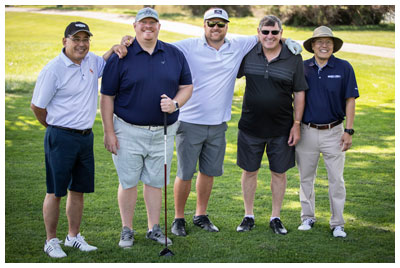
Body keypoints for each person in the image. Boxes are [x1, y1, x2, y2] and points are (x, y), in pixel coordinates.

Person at [121, 7, 302, 236]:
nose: (216, 28)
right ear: (204, 25)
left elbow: (268, 35)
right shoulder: (188, 46)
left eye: (221, 24)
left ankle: (201, 214)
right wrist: (128, 41)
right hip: (189, 122)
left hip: (218, 124)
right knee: (185, 173)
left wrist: (288, 41)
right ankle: (178, 218)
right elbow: (156, 45)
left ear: (227, 26)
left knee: (209, 172)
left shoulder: (237, 45)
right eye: (211, 24)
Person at [31, 21, 127, 258]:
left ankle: (73, 236)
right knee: (55, 191)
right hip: (60, 136)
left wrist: (120, 44)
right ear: (65, 41)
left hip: (85, 137)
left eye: (85, 40)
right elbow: (37, 106)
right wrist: (54, 127)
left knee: (78, 190)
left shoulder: (92, 61)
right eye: (76, 39)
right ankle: (51, 240)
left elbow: (107, 58)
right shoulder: (53, 69)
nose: (81, 44)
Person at [100, 7, 193, 248]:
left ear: (159, 26)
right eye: (143, 23)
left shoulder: (174, 54)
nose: (148, 27)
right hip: (127, 130)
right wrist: (108, 132)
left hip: (163, 131)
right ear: (135, 26)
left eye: (153, 23)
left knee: (155, 181)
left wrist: (175, 103)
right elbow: (107, 96)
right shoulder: (121, 56)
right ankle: (127, 229)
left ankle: (154, 228)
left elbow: (187, 87)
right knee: (129, 181)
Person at [235, 15, 308, 235]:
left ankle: (276, 217)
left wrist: (297, 124)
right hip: (250, 126)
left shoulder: (293, 57)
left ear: (281, 33)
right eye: (265, 32)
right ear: (258, 32)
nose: (269, 36)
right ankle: (248, 215)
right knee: (249, 172)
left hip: (282, 129)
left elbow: (300, 92)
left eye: (274, 32)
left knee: (279, 173)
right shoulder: (248, 54)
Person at [296, 26, 359, 238]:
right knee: (306, 178)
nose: (324, 45)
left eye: (328, 42)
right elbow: (294, 99)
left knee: (336, 180)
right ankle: (307, 217)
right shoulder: (302, 68)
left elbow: (350, 100)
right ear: (312, 46)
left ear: (334, 46)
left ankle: (338, 223)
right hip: (307, 132)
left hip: (334, 131)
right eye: (319, 42)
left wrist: (348, 130)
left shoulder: (344, 68)